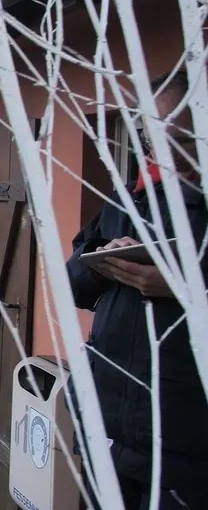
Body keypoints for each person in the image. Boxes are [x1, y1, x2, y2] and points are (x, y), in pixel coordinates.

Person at [66, 69, 207, 510]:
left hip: (185, 441)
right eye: (151, 137)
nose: (164, 152)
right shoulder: (127, 200)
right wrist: (103, 263)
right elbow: (71, 281)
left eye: (179, 137)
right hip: (107, 425)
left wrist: (186, 291)